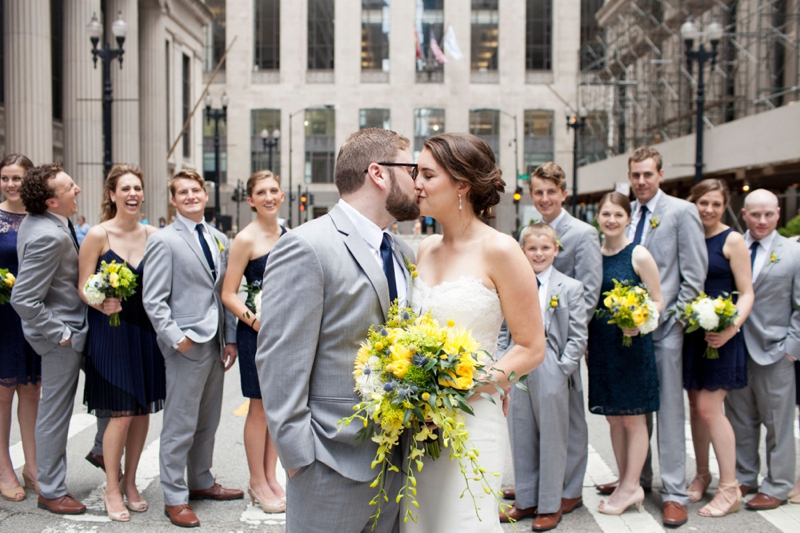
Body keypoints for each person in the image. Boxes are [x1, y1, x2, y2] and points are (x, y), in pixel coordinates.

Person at [257, 128, 421, 533]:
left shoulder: (403, 251)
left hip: (397, 463)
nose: (419, 181)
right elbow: (280, 362)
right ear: (379, 173)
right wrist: (300, 462)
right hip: (327, 464)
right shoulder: (306, 246)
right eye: (412, 168)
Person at [404, 132, 544, 533]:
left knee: (464, 521)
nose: (416, 183)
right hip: (418, 420)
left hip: (471, 415)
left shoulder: (501, 250)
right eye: (417, 172)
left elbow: (532, 346)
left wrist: (467, 388)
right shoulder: (424, 249)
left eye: (428, 175)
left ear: (462, 184)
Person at [142, 169, 241, 528]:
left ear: (205, 194)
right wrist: (175, 337)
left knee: (208, 420)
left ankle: (200, 481)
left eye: (195, 190)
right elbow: (153, 299)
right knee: (180, 424)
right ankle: (174, 497)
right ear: (173, 199)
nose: (189, 196)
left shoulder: (217, 238)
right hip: (185, 344)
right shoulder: (163, 240)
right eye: (181, 192)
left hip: (215, 343)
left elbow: (224, 293)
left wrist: (230, 338)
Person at [621, 146, 707, 528]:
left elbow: (694, 274)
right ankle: (637, 479)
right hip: (628, 331)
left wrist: (671, 322)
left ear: (660, 175)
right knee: (635, 410)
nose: (641, 181)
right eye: (635, 175)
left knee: (669, 412)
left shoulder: (680, 212)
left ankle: (673, 492)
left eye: (647, 175)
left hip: (665, 330)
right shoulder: (626, 215)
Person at [511, 162, 602, 515]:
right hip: (532, 341)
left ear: (563, 193)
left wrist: (567, 350)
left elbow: (589, 292)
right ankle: (533, 488)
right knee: (530, 422)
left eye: (551, 192)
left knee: (569, 423)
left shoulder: (582, 233)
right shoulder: (529, 233)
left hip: (564, 335)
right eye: (538, 192)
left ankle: (569, 488)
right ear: (531, 194)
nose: (545, 198)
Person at [77, 164, 164, 522]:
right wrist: (100, 301)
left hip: (145, 334)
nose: (132, 194)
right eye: (125, 188)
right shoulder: (98, 235)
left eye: (137, 188)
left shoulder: (155, 235)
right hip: (110, 333)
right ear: (112, 195)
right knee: (122, 414)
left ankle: (130, 481)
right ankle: (111, 486)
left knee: (141, 411)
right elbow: (82, 286)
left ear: (143, 194)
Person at [498, 223, 587, 531]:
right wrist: (501, 364)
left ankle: (550, 504)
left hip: (551, 363)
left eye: (545, 248)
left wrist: (563, 367)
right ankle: (526, 499)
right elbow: (503, 329)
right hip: (517, 362)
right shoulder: (514, 283)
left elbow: (578, 336)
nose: (538, 253)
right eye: (532, 248)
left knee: (552, 435)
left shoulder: (570, 287)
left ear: (556, 250)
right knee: (520, 431)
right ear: (523, 251)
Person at [11, 163, 88, 515]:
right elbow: (23, 299)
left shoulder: (48, 222)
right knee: (55, 415)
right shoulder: (48, 234)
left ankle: (101, 447)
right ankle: (52, 490)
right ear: (51, 202)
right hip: (60, 337)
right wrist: (61, 334)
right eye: (70, 187)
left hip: (70, 329)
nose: (78, 190)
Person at [588, 191, 664, 516]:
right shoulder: (595, 254)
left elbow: (658, 300)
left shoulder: (639, 254)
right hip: (603, 349)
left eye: (618, 214)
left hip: (632, 347)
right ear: (599, 217)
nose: (611, 220)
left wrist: (641, 322)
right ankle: (624, 480)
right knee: (613, 419)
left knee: (633, 418)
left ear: (628, 218)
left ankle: (633, 486)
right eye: (606, 214)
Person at [724, 189, 800, 510]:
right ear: (744, 215)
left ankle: (779, 485)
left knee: (778, 425)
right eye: (755, 214)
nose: (762, 221)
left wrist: (790, 350)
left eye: (768, 214)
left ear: (779, 214)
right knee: (740, 420)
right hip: (736, 349)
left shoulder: (793, 253)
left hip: (775, 352)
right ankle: (745, 476)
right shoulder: (732, 247)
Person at [683, 179, 753, 517]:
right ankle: (701, 475)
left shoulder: (733, 240)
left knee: (711, 408)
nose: (709, 209)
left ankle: (730, 487)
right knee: (696, 408)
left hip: (723, 335)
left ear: (724, 206)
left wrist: (730, 328)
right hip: (694, 334)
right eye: (703, 203)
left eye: (716, 204)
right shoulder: (692, 237)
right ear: (693, 203)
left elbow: (748, 292)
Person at [221, 170, 287, 514]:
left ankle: (271, 476)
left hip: (285, 334)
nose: (269, 196)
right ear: (250, 200)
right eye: (261, 192)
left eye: (274, 190)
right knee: (259, 408)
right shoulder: (245, 239)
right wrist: (257, 321)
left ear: (282, 194)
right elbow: (229, 294)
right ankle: (256, 481)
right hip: (257, 334)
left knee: (277, 408)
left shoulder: (290, 234)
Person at [0, 154, 40, 502]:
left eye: (17, 178)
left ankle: (33, 466)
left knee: (31, 391)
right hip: (1, 316)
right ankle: (3, 467)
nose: (11, 184)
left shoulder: (41, 217)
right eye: (5, 178)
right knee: (2, 393)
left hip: (32, 316)